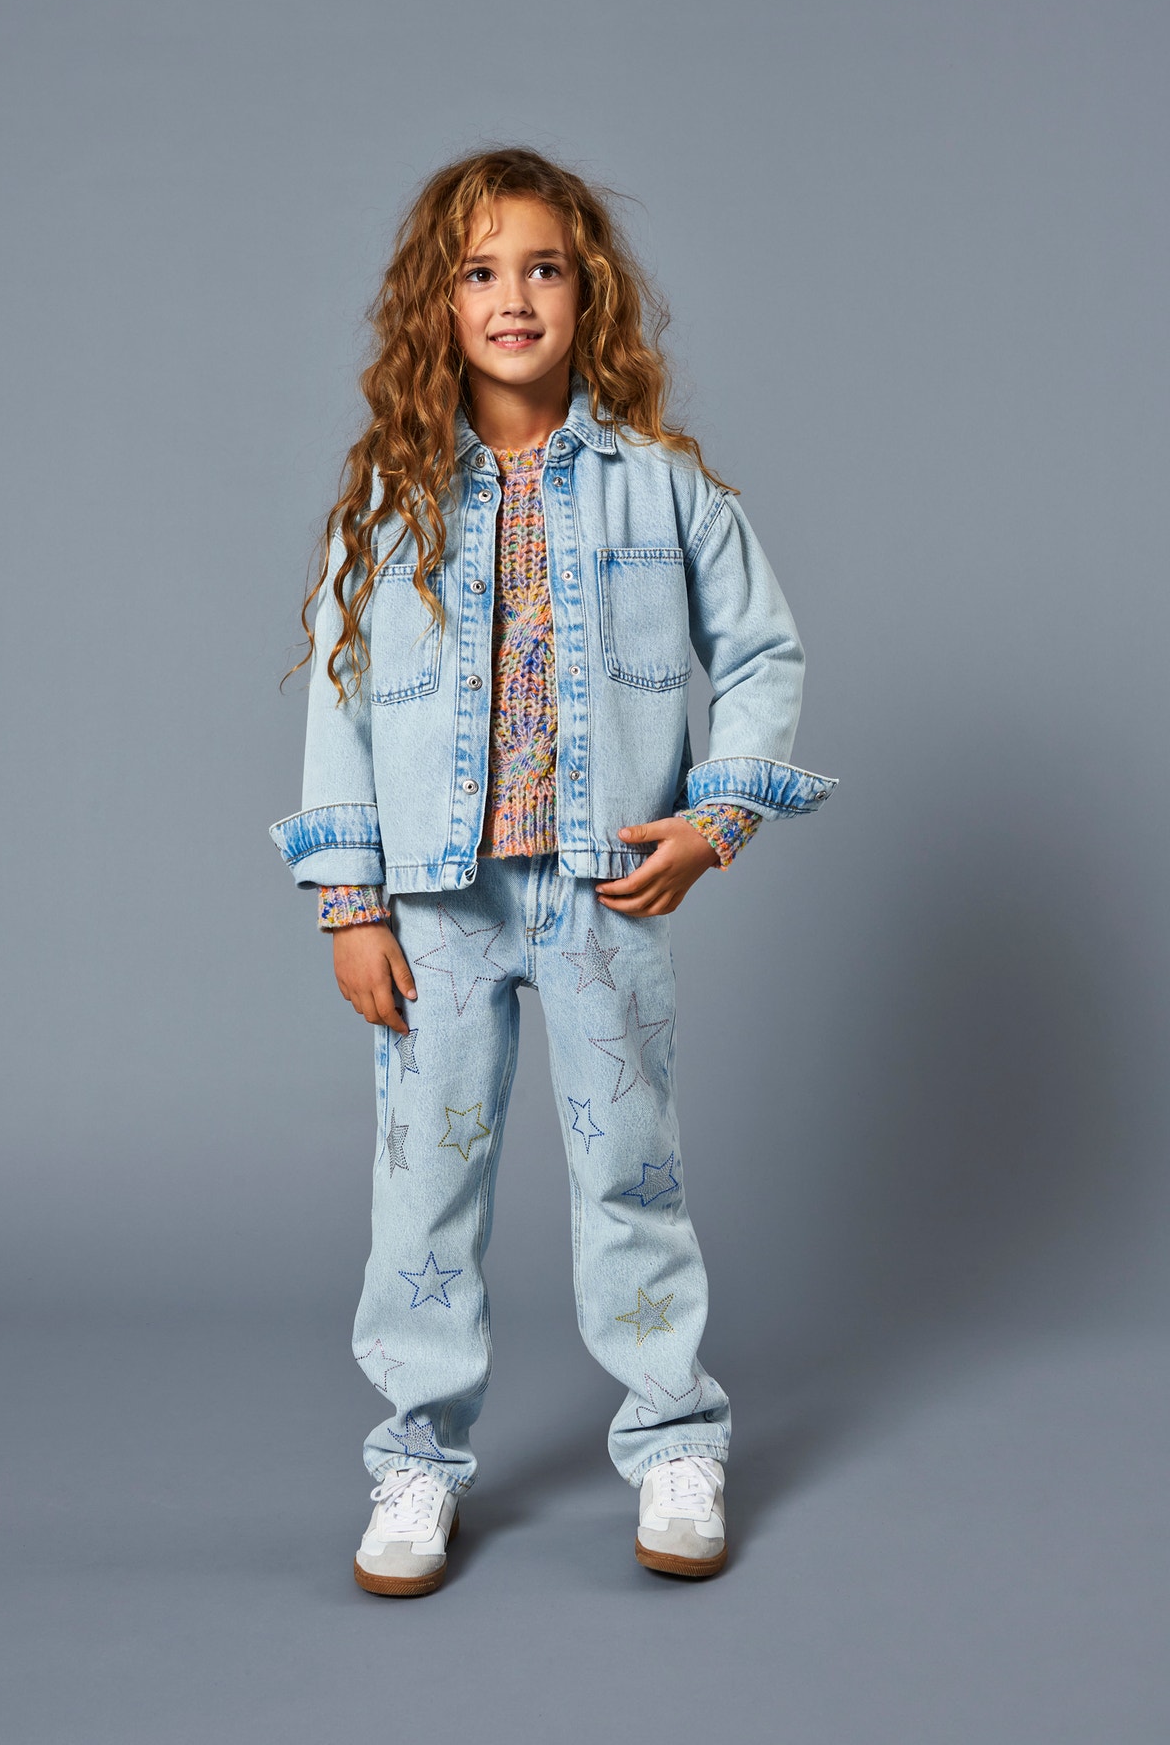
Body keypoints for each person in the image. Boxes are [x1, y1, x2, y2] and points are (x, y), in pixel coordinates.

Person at [270, 147, 836, 1595]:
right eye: (479, 271)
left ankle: (675, 1438)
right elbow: (339, 705)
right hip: (437, 910)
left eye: (543, 268)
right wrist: (351, 905)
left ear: (590, 297)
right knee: (424, 1193)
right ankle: (414, 1458)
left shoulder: (662, 489)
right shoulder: (387, 503)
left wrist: (715, 819)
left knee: (631, 1178)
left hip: (603, 898)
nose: (512, 296)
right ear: (438, 304)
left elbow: (762, 655)